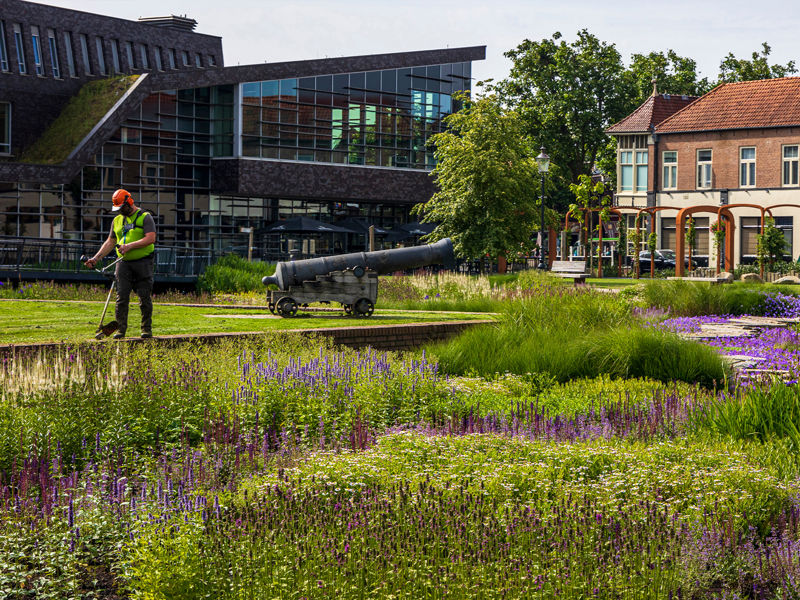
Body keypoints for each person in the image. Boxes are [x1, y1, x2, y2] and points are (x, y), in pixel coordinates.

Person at [84, 189, 157, 339]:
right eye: (118, 209)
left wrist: (130, 246)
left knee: (144, 297)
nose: (120, 211)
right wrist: (96, 258)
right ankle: (120, 330)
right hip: (123, 263)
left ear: (129, 202)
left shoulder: (145, 217)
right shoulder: (117, 220)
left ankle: (146, 329)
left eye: (122, 208)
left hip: (143, 262)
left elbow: (150, 238)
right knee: (121, 297)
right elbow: (110, 241)